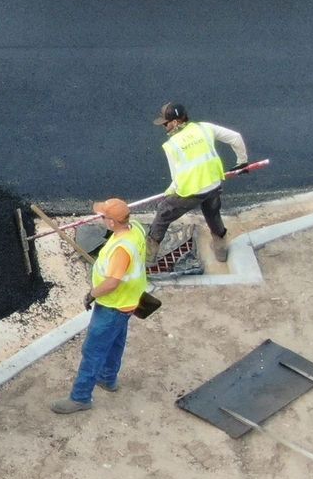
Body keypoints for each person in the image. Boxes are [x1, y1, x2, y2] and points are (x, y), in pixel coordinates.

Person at [52, 198, 149, 415]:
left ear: (113, 222)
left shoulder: (122, 249)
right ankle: (108, 379)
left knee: (92, 351)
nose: (101, 218)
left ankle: (80, 398)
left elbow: (112, 282)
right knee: (115, 341)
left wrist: (92, 294)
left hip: (113, 305)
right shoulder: (136, 229)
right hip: (128, 302)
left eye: (103, 216)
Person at [148, 102, 249, 260]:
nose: (164, 127)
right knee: (212, 214)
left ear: (175, 122)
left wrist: (169, 192)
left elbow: (177, 179)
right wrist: (242, 162)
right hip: (213, 184)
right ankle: (221, 250)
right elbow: (235, 138)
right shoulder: (204, 128)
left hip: (191, 191)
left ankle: (148, 255)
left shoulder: (172, 145)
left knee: (163, 214)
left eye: (165, 124)